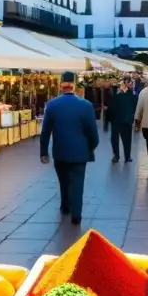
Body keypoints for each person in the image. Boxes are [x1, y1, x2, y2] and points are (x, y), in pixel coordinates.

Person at [40, 72, 99, 224]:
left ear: (61, 85)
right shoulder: (86, 106)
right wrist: (91, 146)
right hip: (80, 152)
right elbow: (93, 132)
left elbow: (45, 130)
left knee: (63, 180)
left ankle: (65, 205)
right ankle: (76, 214)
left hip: (60, 151)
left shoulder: (52, 105)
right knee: (78, 182)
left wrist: (43, 152)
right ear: (75, 84)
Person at [107, 78, 138, 163]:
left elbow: (111, 107)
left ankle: (117, 156)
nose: (132, 85)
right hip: (125, 120)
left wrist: (110, 119)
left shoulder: (117, 95)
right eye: (130, 83)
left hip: (117, 120)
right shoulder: (133, 96)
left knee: (116, 138)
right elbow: (135, 108)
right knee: (126, 139)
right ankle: (126, 156)